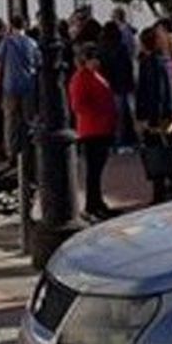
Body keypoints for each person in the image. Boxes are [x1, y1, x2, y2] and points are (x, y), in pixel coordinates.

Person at [135, 26, 172, 203]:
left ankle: (162, 192)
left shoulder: (150, 63)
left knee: (158, 152)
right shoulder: (166, 61)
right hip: (170, 114)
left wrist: (148, 120)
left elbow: (153, 92)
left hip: (159, 117)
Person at [67, 44, 117, 220]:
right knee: (93, 170)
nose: (97, 61)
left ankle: (97, 202)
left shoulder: (95, 75)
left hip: (102, 127)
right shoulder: (81, 78)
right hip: (92, 129)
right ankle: (92, 205)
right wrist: (100, 110)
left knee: (98, 169)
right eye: (93, 58)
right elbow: (78, 105)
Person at [0, 15, 39, 167]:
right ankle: (30, 152)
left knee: (11, 122)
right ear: (25, 25)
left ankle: (12, 154)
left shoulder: (6, 43)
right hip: (28, 86)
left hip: (10, 86)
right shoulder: (32, 43)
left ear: (11, 25)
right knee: (29, 121)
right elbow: (38, 64)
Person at [100, 20, 137, 150]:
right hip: (120, 86)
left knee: (109, 115)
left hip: (106, 86)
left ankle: (111, 140)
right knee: (121, 114)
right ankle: (120, 140)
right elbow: (127, 68)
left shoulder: (101, 48)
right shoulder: (121, 47)